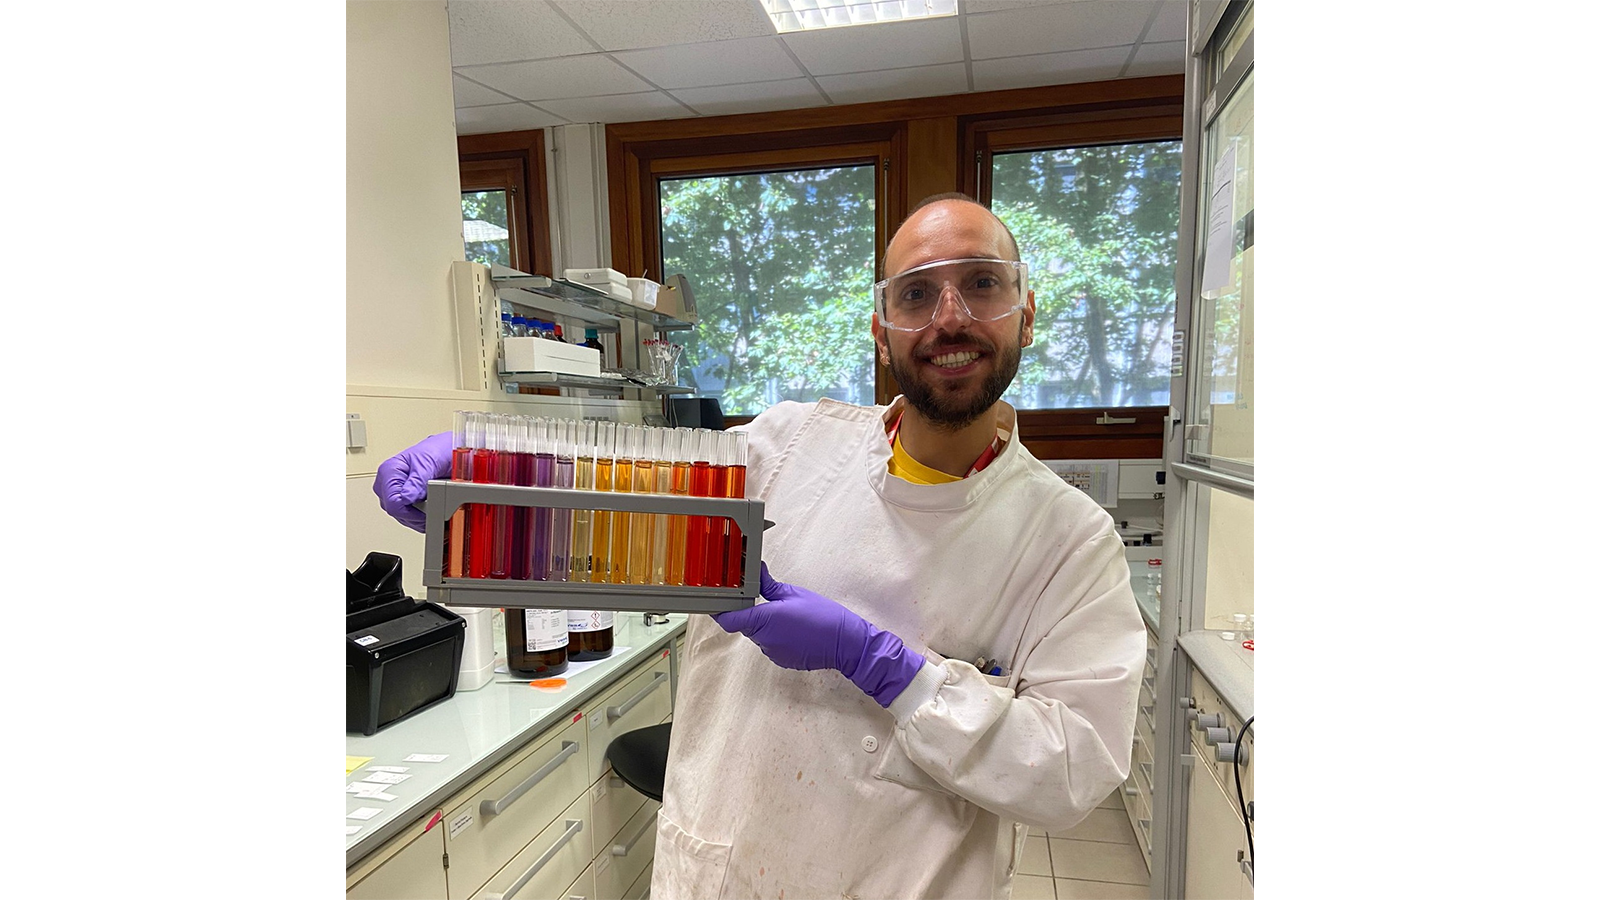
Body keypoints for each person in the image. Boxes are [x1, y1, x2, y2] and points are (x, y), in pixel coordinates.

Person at [374, 194, 1146, 899]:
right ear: (881, 333)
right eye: (916, 294)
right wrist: (486, 480)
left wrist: (890, 669)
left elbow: (1071, 771)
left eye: (981, 283)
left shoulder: (1069, 541)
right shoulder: (787, 448)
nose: (950, 317)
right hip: (726, 872)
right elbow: (618, 501)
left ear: (1025, 315)